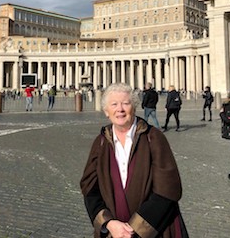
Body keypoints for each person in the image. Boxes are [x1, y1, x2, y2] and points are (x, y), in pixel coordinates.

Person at [80, 83, 188, 238]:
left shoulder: (154, 138)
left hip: (154, 230)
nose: (120, 109)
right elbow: (90, 188)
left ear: (135, 107)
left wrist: (134, 229)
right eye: (114, 104)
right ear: (106, 111)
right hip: (113, 232)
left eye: (125, 103)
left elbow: (168, 189)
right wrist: (109, 224)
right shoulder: (101, 142)